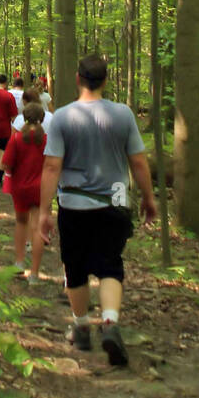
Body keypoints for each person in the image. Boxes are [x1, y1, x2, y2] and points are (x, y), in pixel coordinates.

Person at [39, 53, 156, 366]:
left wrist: (44, 212)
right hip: (115, 201)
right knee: (109, 265)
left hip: (74, 202)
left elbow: (51, 167)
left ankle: (80, 329)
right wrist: (148, 197)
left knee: (74, 266)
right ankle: (109, 323)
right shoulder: (123, 115)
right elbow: (139, 161)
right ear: (106, 80)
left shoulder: (62, 117)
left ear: (78, 79)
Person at [2, 103, 47, 282]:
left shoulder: (17, 139)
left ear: (24, 117)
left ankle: (20, 263)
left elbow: (6, 164)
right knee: (37, 228)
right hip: (40, 188)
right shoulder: (46, 140)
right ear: (42, 118)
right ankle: (35, 273)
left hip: (20, 187)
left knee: (21, 223)